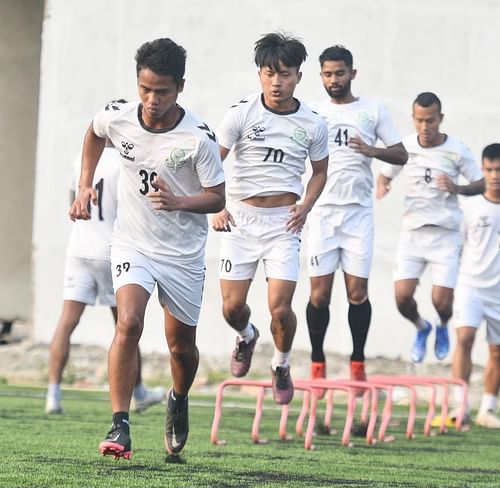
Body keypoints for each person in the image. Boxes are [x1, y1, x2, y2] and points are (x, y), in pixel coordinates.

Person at [69, 38, 225, 460]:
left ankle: (178, 397)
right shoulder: (118, 116)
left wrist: (179, 201)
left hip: (182, 254)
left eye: (163, 92)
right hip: (132, 242)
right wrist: (85, 185)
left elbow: (217, 198)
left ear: (180, 88)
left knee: (181, 349)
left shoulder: (198, 138)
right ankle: (120, 424)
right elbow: (94, 133)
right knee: (129, 322)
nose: (152, 100)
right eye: (145, 89)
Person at [212, 31, 329, 405]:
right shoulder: (241, 113)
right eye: (269, 73)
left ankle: (281, 363)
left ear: (298, 76)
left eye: (285, 74)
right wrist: (217, 205)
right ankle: (246, 335)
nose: (276, 82)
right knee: (231, 307)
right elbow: (212, 161)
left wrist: (306, 205)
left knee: (280, 307)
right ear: (260, 73)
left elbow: (320, 172)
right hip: (241, 221)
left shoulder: (312, 123)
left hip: (283, 224)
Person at [305, 45, 408, 390]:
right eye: (328, 74)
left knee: (357, 293)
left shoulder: (372, 111)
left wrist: (373, 151)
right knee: (319, 296)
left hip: (358, 214)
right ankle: (317, 360)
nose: (334, 80)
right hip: (322, 213)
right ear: (321, 76)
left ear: (352, 73)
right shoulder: (312, 112)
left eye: (340, 73)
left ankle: (358, 360)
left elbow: (400, 153)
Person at [45, 141, 165, 415]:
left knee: (66, 322)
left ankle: (53, 394)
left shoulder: (81, 157)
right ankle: (138, 392)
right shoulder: (125, 163)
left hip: (79, 248)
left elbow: (72, 199)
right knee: (126, 326)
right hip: (111, 251)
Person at [377, 92, 484, 363]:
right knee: (402, 298)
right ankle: (421, 327)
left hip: (445, 235)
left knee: (442, 301)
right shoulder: (406, 146)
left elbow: (481, 183)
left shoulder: (457, 150)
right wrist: (383, 184)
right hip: (412, 234)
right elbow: (385, 172)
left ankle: (442, 325)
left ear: (441, 119)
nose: (425, 127)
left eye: (431, 121)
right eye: (420, 121)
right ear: (413, 119)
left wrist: (456, 187)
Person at [450, 143, 500, 428]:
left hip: (499, 292)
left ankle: (488, 409)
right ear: (482, 171)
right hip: (470, 285)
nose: (495, 176)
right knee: (465, 338)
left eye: (499, 170)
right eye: (490, 170)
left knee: (496, 351)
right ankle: (461, 404)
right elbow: (458, 246)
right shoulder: (471, 207)